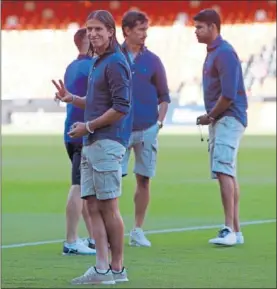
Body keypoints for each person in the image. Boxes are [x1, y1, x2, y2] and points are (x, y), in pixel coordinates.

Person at [52, 9, 132, 285]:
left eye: (99, 29)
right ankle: (101, 269)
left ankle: (117, 269)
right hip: (92, 142)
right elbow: (98, 101)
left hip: (107, 142)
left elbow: (121, 107)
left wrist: (88, 126)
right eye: (89, 29)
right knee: (93, 206)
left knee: (109, 207)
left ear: (111, 32)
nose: (93, 34)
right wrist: (72, 98)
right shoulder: (98, 61)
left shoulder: (116, 62)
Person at [194, 9, 248, 246]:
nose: (195, 32)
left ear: (213, 27)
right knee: (227, 171)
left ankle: (229, 229)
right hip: (223, 118)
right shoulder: (214, 53)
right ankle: (236, 230)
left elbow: (227, 95)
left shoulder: (224, 53)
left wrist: (209, 116)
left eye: (199, 27)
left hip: (227, 117)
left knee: (224, 170)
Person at [120, 10, 171, 247]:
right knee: (112, 181)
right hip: (118, 130)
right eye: (140, 30)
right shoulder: (113, 58)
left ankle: (137, 230)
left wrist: (159, 122)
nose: (144, 35)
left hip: (147, 128)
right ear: (127, 30)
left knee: (144, 180)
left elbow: (164, 96)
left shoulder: (153, 60)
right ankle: (111, 229)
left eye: (146, 30)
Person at [62, 28, 96, 256]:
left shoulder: (71, 67)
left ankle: (93, 238)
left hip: (69, 131)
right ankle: (71, 240)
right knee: (79, 186)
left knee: (86, 188)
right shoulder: (92, 67)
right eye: (92, 35)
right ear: (86, 41)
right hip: (83, 132)